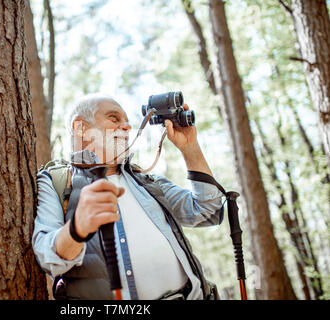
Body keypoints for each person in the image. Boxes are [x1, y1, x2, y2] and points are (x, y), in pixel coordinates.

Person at [32, 94, 224, 300]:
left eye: (127, 122)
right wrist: (77, 228)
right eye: (114, 119)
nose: (127, 127)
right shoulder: (56, 181)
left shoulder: (146, 180)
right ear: (80, 128)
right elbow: (47, 256)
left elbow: (207, 210)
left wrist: (190, 147)